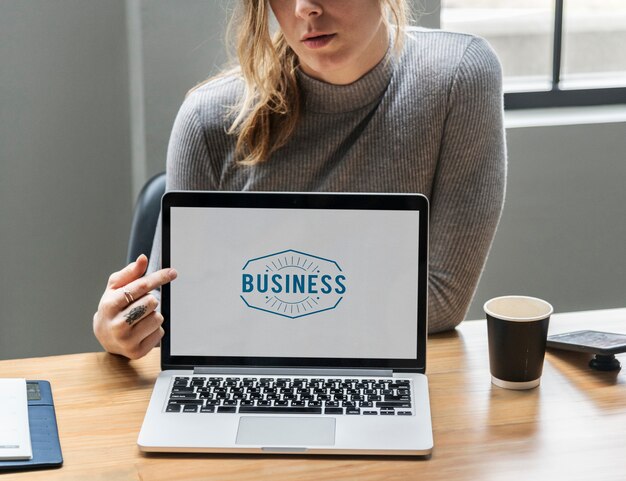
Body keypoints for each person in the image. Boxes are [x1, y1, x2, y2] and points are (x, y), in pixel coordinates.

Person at [93, 0, 506, 360]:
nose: (304, 8)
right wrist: (119, 327)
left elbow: (439, 300)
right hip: (246, 377)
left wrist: (247, 299)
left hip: (379, 373)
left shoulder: (457, 79)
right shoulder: (209, 118)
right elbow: (177, 311)